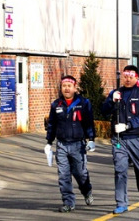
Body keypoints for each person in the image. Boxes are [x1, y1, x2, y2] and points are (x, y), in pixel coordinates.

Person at [101, 65, 139, 215]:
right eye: (126, 76)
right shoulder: (116, 93)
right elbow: (104, 112)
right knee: (120, 170)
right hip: (119, 139)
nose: (128, 79)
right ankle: (121, 202)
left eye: (131, 76)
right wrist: (111, 100)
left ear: (136, 77)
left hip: (136, 137)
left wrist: (128, 126)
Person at [45, 75, 95, 213]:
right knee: (63, 175)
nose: (66, 89)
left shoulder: (83, 103)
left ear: (75, 87)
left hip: (78, 145)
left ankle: (87, 191)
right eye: (64, 86)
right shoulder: (56, 105)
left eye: (69, 86)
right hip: (61, 145)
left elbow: (88, 122)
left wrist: (91, 139)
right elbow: (52, 124)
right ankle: (68, 202)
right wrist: (49, 142)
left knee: (80, 173)